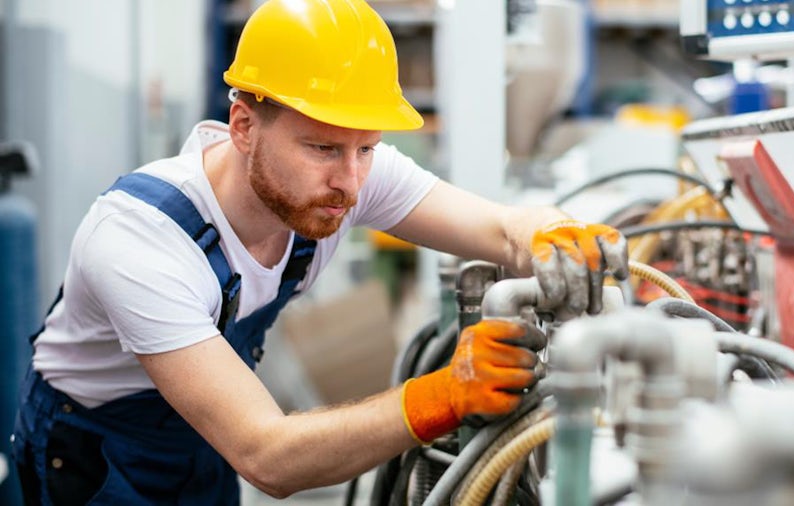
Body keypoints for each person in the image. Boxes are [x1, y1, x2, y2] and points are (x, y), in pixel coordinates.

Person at [11, 0, 628, 504]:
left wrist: (555, 233)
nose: (352, 183)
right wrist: (445, 394)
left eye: (366, 148)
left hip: (199, 445)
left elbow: (501, 229)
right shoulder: (139, 240)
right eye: (322, 148)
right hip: (89, 453)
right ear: (244, 126)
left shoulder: (344, 175)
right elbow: (268, 456)